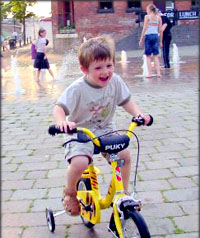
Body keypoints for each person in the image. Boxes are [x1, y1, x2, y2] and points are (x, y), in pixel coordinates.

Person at [53, 35, 152, 216]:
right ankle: (70, 193)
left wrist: (139, 114)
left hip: (105, 129)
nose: (105, 72)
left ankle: (124, 193)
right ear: (84, 69)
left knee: (124, 154)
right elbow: (59, 107)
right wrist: (62, 123)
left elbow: (127, 101)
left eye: (109, 65)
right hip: (80, 132)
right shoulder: (77, 88)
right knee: (80, 161)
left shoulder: (115, 81)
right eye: (98, 68)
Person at [139, 4, 162, 78]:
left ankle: (150, 73)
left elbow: (145, 28)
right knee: (156, 56)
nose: (146, 11)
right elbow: (160, 30)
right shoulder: (159, 18)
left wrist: (141, 39)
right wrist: (161, 41)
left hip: (148, 36)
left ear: (150, 10)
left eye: (147, 9)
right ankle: (158, 73)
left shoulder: (147, 17)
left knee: (148, 56)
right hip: (155, 36)